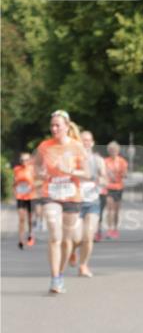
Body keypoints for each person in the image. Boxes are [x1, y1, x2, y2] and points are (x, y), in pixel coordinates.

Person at [34, 110, 87, 294]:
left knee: (67, 240)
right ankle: (55, 278)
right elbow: (36, 166)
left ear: (67, 126)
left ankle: (61, 274)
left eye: (57, 125)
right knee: (55, 235)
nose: (54, 128)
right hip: (51, 193)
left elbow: (87, 173)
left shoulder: (77, 146)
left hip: (72, 195)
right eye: (52, 125)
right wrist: (40, 173)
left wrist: (70, 171)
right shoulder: (44, 146)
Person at [70, 130, 107, 277]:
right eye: (82, 140)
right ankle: (72, 250)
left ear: (92, 143)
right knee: (76, 237)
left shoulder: (98, 160)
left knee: (88, 236)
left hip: (93, 201)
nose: (85, 142)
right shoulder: (72, 159)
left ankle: (83, 265)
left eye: (87, 140)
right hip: (75, 202)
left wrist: (101, 181)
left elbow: (104, 178)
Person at [104, 141, 128, 239]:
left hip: (119, 187)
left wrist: (123, 174)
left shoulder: (122, 161)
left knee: (116, 211)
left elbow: (125, 174)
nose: (113, 151)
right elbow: (102, 173)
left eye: (114, 150)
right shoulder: (105, 161)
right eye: (111, 150)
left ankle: (115, 229)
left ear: (118, 151)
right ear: (108, 151)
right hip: (108, 187)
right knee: (110, 209)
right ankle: (109, 229)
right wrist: (107, 175)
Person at [13, 152, 36, 249]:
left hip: (31, 196)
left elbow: (38, 181)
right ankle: (21, 239)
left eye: (26, 160)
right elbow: (14, 182)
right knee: (21, 218)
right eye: (22, 160)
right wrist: (15, 190)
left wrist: (33, 186)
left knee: (30, 219)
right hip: (20, 196)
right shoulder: (16, 169)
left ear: (30, 160)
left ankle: (30, 234)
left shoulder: (33, 169)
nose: (24, 162)